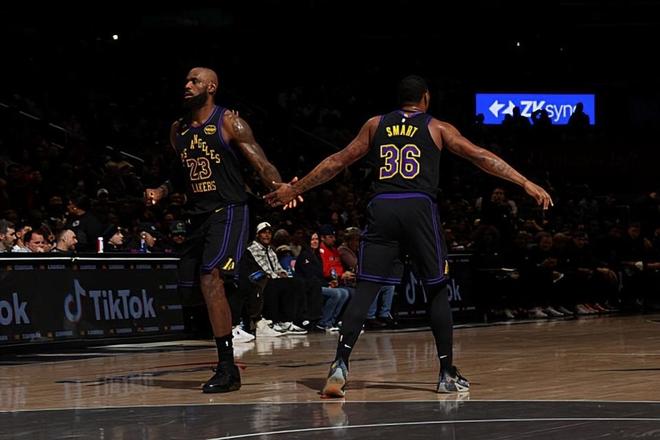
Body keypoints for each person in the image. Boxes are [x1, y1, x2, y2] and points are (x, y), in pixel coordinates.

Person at [265, 75, 553, 397]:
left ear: (399, 99)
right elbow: (479, 156)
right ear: (425, 98)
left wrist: (296, 188)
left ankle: (339, 365)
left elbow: (336, 162)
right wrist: (524, 182)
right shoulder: (437, 127)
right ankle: (446, 373)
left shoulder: (375, 124)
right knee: (436, 289)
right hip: (418, 206)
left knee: (365, 289)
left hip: (382, 206)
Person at [144, 67, 298, 393]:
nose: (187, 85)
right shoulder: (178, 130)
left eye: (195, 81)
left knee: (210, 276)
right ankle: (238, 295)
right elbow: (179, 174)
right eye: (186, 80)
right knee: (191, 289)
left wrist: (279, 186)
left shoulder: (229, 122)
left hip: (229, 209)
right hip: (197, 216)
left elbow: (261, 163)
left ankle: (228, 368)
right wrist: (161, 190)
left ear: (211, 87)